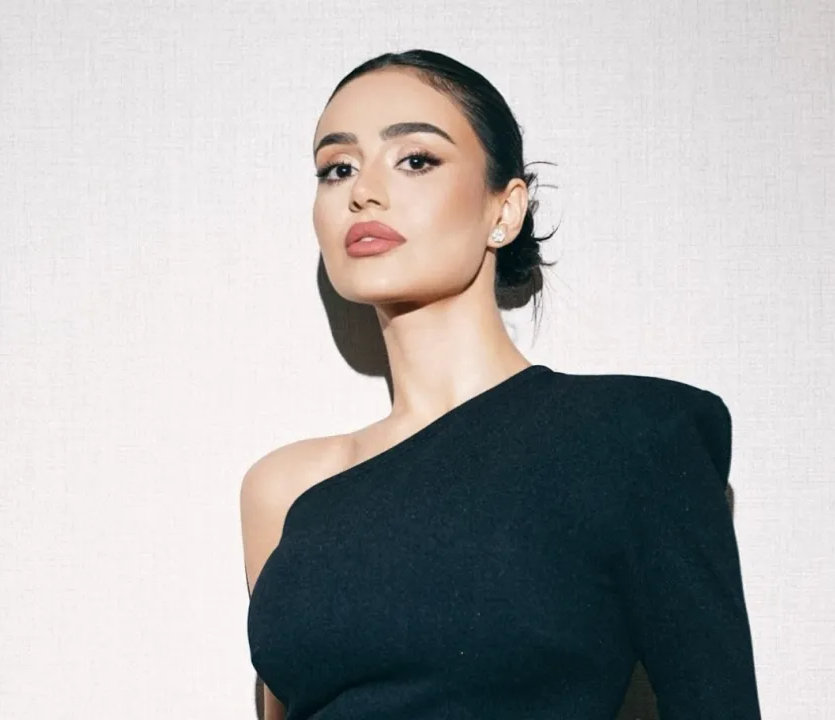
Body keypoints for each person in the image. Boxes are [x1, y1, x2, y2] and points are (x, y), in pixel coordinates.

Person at [239, 49, 761, 720]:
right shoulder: (283, 490)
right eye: (337, 168)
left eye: (415, 160)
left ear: (505, 210)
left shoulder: (634, 436)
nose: (363, 191)